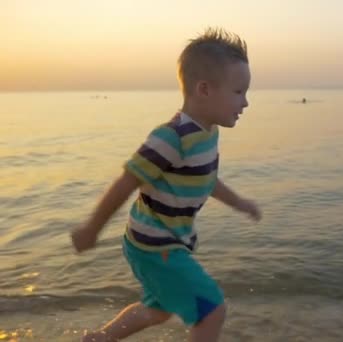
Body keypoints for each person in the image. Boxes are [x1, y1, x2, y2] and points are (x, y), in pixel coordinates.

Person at [71, 27, 261, 342]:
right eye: (239, 92)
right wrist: (92, 228)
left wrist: (239, 202)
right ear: (204, 89)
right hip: (154, 245)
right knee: (211, 310)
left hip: (161, 243)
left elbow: (206, 179)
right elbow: (126, 181)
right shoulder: (171, 137)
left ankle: (99, 339)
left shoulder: (207, 133)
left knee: (157, 310)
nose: (246, 103)